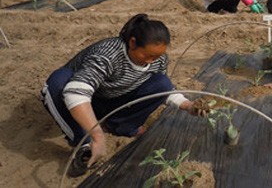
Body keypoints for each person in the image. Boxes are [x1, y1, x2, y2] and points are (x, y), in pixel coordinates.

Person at [40, 14, 197, 177]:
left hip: (111, 99)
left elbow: (161, 89)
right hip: (80, 101)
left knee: (162, 81)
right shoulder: (109, 54)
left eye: (156, 56)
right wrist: (97, 136)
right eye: (147, 55)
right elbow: (75, 93)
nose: (151, 61)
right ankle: (83, 142)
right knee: (58, 81)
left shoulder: (158, 60)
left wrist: (188, 106)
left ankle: (121, 126)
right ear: (132, 42)